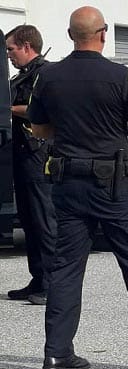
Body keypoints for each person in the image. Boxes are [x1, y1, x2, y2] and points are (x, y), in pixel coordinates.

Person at [27, 6, 128, 369]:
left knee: (65, 269)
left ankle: (56, 355)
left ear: (70, 35)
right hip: (112, 186)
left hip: (68, 184)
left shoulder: (49, 76)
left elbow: (39, 129)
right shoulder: (121, 76)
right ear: (103, 33)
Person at [6, 25, 57, 305]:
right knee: (28, 221)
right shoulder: (22, 75)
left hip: (38, 156)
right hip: (21, 155)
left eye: (11, 49)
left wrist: (7, 109)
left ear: (27, 46)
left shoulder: (44, 74)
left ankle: (52, 285)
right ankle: (38, 279)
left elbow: (41, 110)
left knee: (43, 220)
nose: (9, 55)